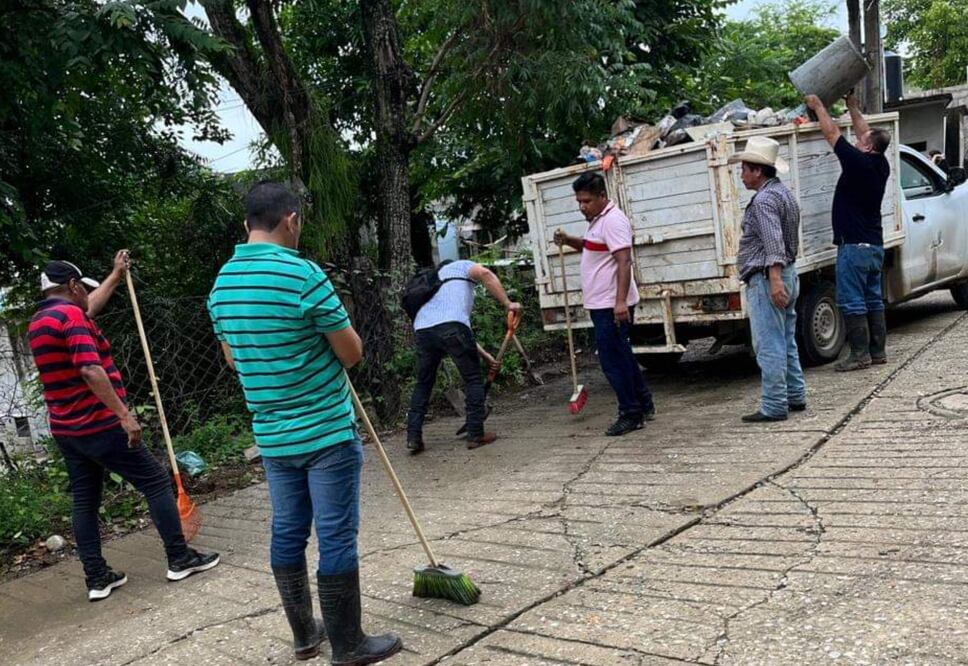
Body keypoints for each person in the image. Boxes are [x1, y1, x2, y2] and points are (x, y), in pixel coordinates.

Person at [208, 182, 401, 664]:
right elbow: (351, 354)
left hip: (272, 436)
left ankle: (304, 634)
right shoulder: (302, 275)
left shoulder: (222, 284)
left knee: (288, 532)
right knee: (336, 535)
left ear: (247, 224)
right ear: (290, 220)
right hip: (326, 432)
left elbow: (234, 360)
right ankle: (348, 643)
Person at [28, 254, 219, 602]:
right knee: (155, 481)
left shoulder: (41, 320)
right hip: (99, 423)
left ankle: (97, 578)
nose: (87, 295)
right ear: (72, 287)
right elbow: (89, 369)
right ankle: (180, 557)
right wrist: (123, 415)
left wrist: (115, 276)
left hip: (67, 431)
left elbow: (88, 308)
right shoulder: (71, 316)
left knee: (85, 502)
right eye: (82, 289)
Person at [553, 172, 656, 436]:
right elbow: (592, 248)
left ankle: (630, 413)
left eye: (586, 201)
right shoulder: (598, 220)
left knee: (612, 362)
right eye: (579, 201)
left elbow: (624, 261)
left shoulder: (612, 221)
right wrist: (568, 240)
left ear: (602, 196)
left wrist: (619, 302)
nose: (582, 207)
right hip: (603, 303)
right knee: (623, 356)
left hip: (610, 305)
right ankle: (643, 404)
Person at [805, 93, 891, 371]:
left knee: (852, 301)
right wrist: (853, 106)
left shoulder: (858, 163)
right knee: (872, 299)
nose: (857, 140)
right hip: (874, 246)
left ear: (867, 148)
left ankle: (859, 355)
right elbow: (866, 131)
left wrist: (819, 106)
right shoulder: (881, 163)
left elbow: (832, 134)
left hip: (853, 247)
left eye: (860, 141)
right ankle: (877, 352)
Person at [405, 260, 523, 453]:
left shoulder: (435, 282)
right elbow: (485, 274)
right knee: (473, 379)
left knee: (423, 383)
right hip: (452, 328)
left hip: (423, 331)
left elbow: (453, 329)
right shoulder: (461, 266)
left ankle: (413, 437)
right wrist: (508, 303)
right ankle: (476, 434)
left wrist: (485, 356)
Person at [729, 137, 807, 422]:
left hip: (768, 278)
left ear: (757, 171)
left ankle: (774, 405)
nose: (742, 175)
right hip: (788, 273)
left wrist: (774, 279)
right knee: (786, 338)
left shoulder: (762, 201)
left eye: (744, 170)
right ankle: (795, 394)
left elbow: (773, 243)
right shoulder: (783, 194)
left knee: (769, 343)